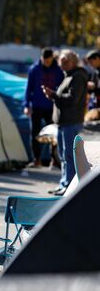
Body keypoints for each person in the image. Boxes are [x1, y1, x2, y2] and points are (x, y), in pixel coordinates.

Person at [43, 50, 88, 196]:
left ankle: (69, 185)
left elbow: (73, 99)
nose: (61, 65)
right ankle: (64, 183)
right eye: (60, 62)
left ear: (72, 62)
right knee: (63, 155)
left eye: (64, 62)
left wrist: (54, 95)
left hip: (71, 122)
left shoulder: (78, 76)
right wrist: (54, 95)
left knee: (69, 155)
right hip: (64, 122)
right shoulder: (68, 76)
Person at [24, 47, 64, 167]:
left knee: (54, 133)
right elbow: (28, 88)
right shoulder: (34, 69)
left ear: (52, 58)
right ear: (41, 58)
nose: (47, 62)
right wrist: (26, 105)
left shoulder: (58, 71)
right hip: (36, 105)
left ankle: (54, 159)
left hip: (52, 106)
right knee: (35, 133)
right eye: (45, 60)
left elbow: (62, 88)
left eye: (49, 60)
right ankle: (37, 159)